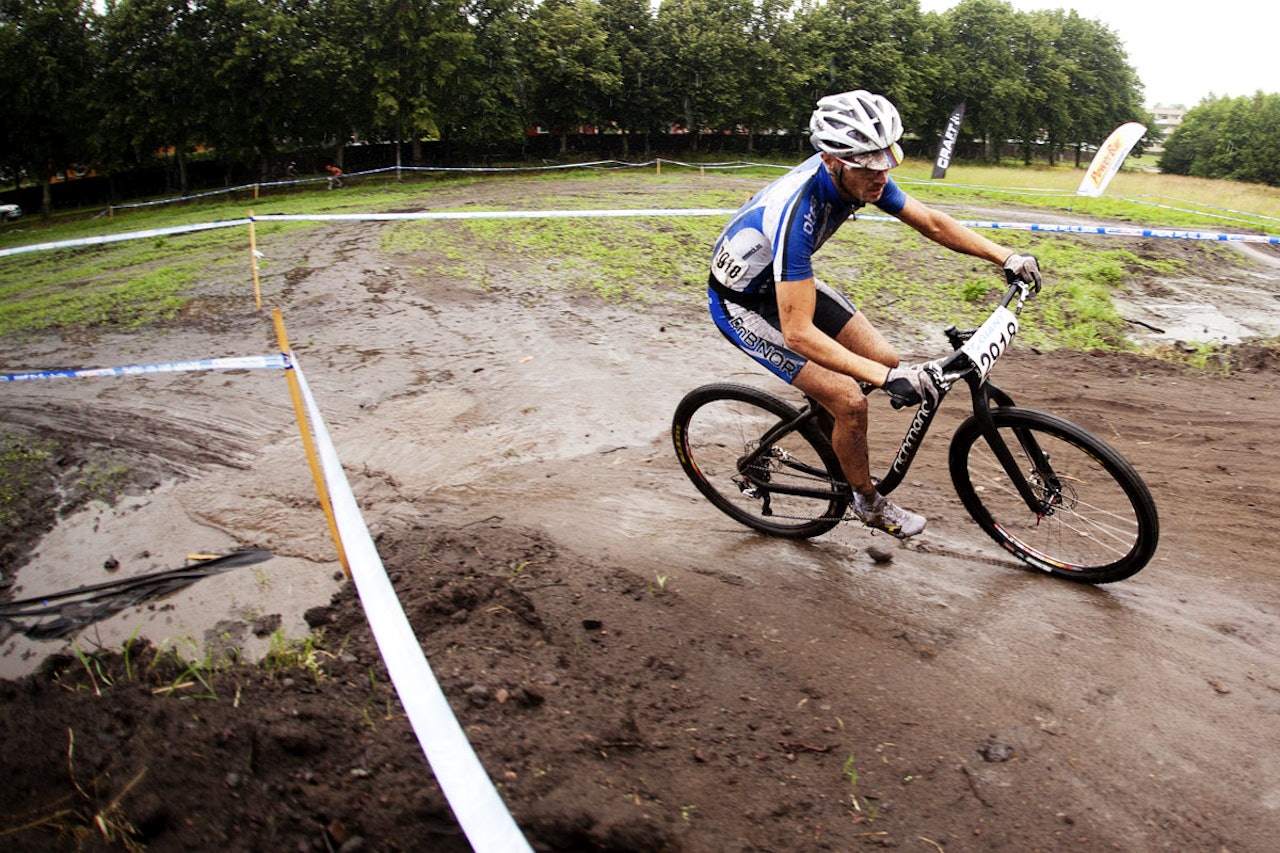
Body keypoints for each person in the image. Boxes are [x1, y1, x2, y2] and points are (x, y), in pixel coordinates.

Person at [707, 90, 1041, 539]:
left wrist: (1006, 257)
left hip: (784, 284)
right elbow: (798, 334)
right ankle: (868, 503)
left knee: (883, 358)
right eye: (869, 165)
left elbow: (932, 222)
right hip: (744, 303)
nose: (881, 174)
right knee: (851, 399)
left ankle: (830, 431)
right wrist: (886, 383)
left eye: (887, 159)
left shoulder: (862, 177)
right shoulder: (795, 214)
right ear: (832, 162)